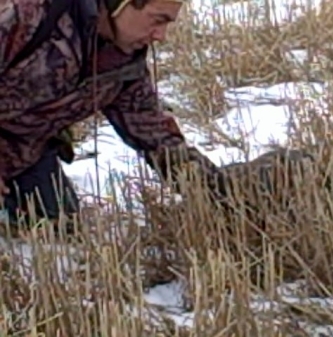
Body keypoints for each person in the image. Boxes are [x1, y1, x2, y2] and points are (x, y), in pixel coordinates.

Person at [0, 0, 226, 232]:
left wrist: (221, 194)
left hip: (24, 154)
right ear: (120, 5)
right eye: (158, 20)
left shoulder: (122, 66)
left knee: (57, 231)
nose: (161, 36)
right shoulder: (29, 15)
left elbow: (158, 140)